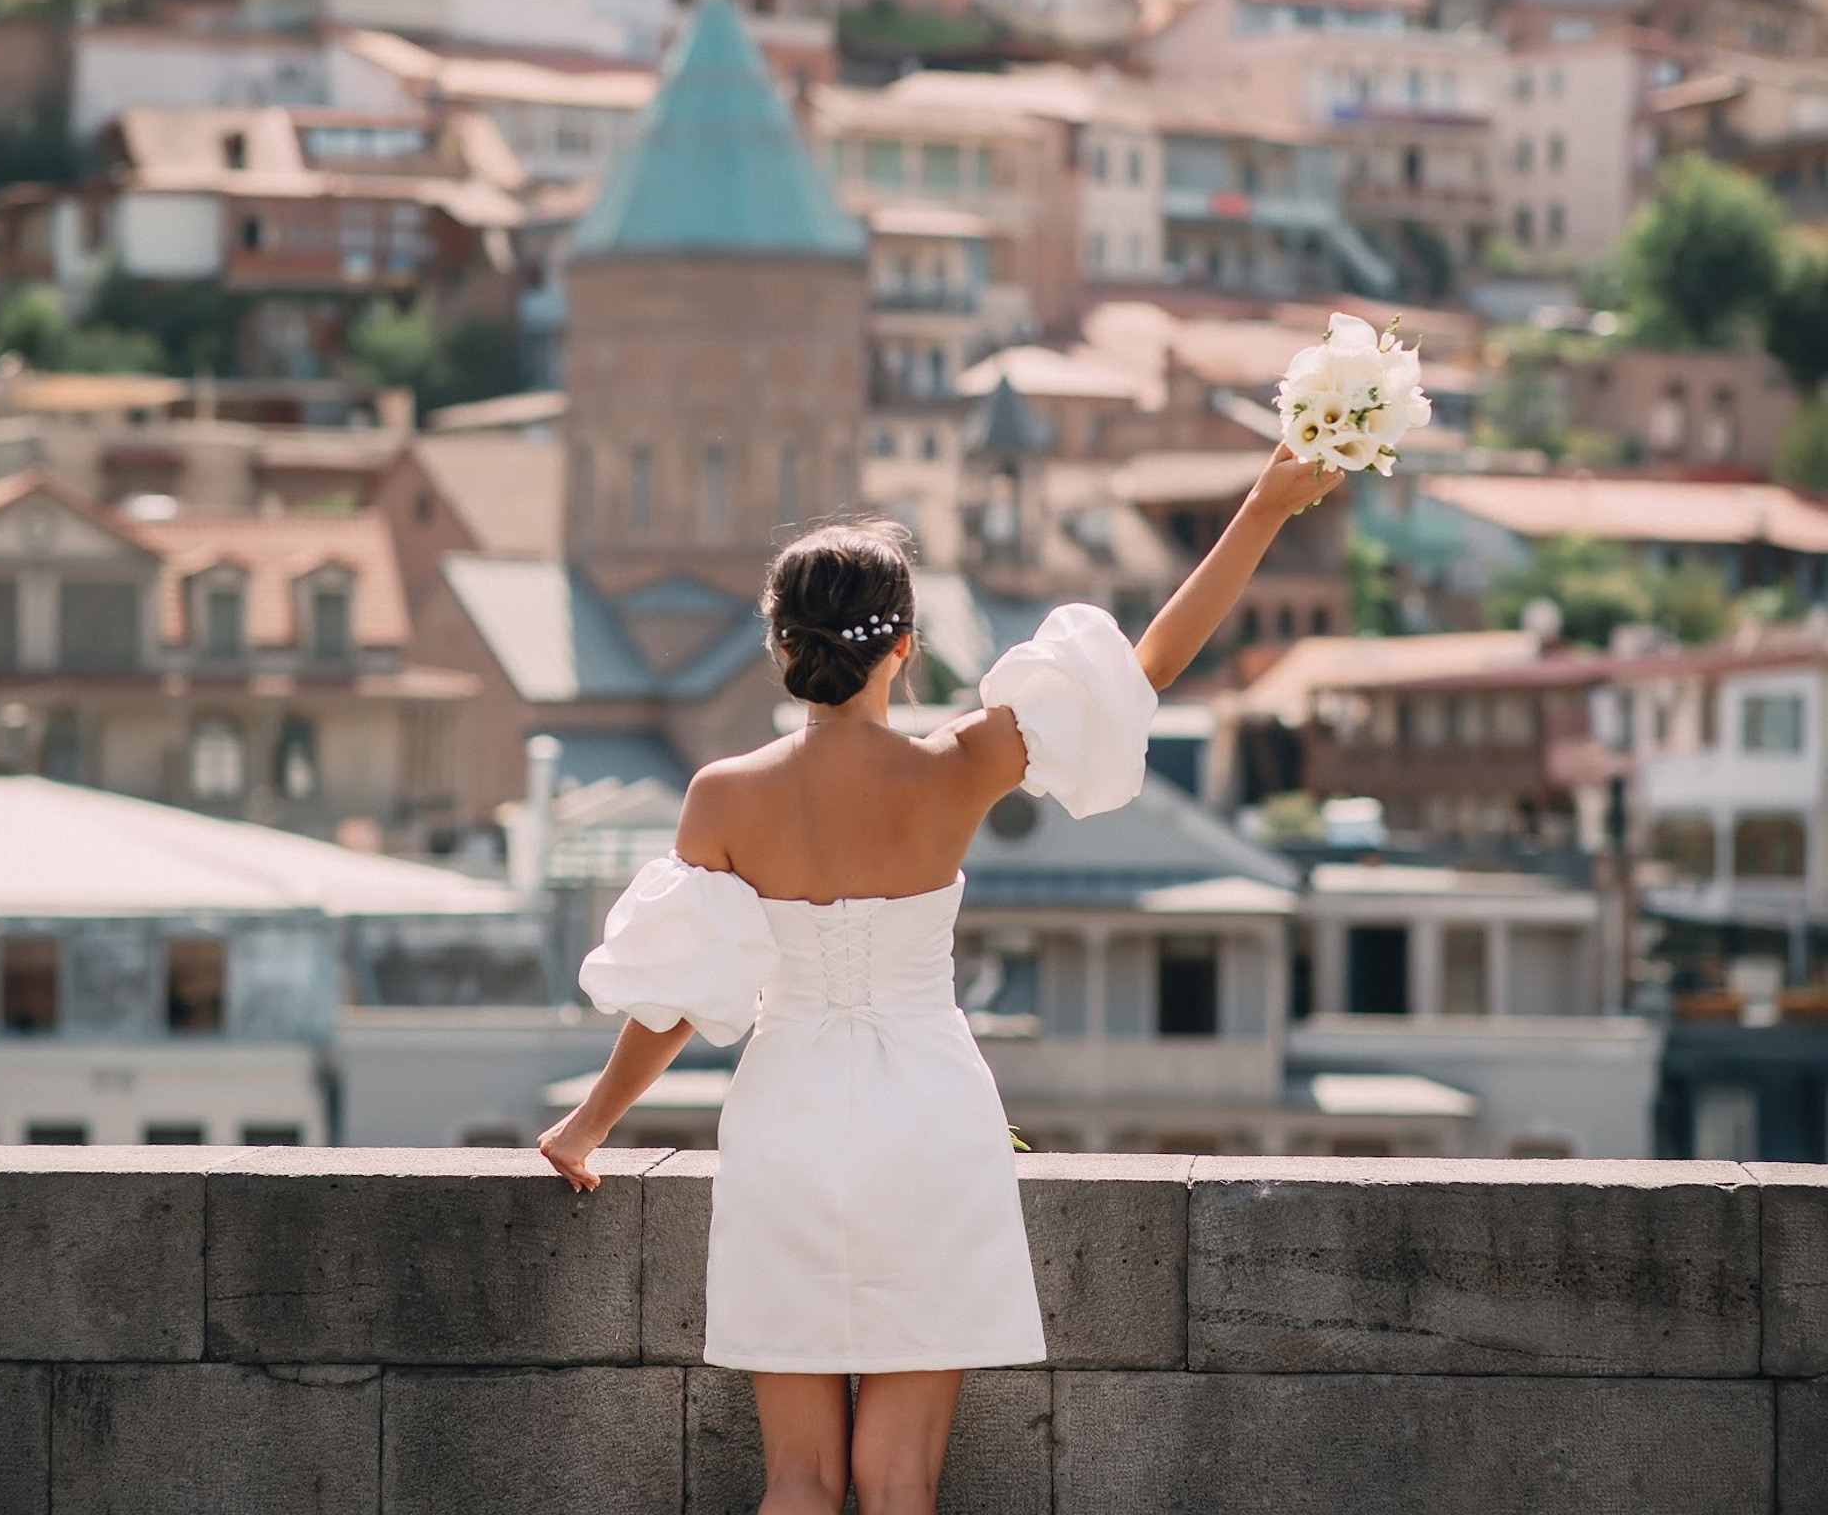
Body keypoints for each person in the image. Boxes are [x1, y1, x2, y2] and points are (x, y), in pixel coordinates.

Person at [539, 443, 1343, 1515]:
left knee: (799, 1478)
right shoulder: (957, 765)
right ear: (904, 647)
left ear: (780, 645)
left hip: (787, 1121)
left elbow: (677, 995)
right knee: (900, 1481)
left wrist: (587, 1125)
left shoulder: (722, 797)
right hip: (930, 1116)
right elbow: (1143, 668)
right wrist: (1265, 505)